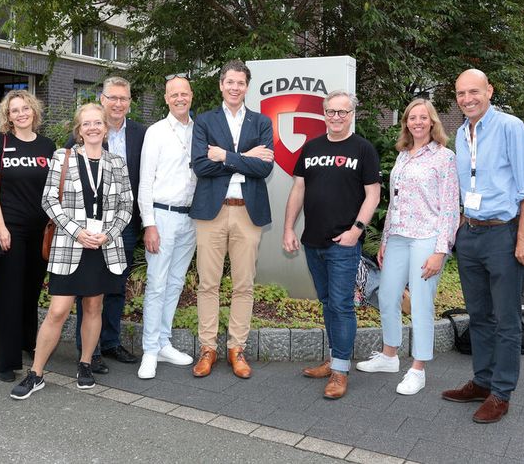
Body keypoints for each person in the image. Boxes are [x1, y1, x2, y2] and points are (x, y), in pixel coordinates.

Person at [441, 69, 524, 423]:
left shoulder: (510, 127)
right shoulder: (460, 133)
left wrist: (522, 237)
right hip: (470, 233)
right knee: (479, 316)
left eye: (474, 92)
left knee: (506, 319)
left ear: (489, 90)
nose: (467, 99)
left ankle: (501, 392)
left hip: (503, 233)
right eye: (460, 94)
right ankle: (482, 381)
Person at [10, 103, 133, 399]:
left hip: (103, 247)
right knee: (58, 310)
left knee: (93, 308)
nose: (92, 128)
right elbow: (49, 201)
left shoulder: (117, 162)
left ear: (106, 128)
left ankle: (86, 364)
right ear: (78, 130)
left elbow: (127, 206)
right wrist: (78, 232)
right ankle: (36, 373)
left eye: (98, 123)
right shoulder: (62, 158)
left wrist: (108, 234)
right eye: (86, 124)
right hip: (70, 245)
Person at [355, 99, 459, 395]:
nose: (417, 122)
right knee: (387, 294)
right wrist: (386, 239)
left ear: (432, 122)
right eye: (412, 118)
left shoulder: (444, 157)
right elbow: (395, 202)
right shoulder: (403, 155)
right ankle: (389, 356)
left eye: (422, 117)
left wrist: (441, 250)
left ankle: (418, 368)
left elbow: (451, 208)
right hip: (399, 235)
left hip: (427, 236)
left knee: (421, 300)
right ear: (406, 123)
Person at [283, 90, 381, 400]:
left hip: (344, 243)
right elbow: (298, 189)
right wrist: (288, 228)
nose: (336, 117)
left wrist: (356, 230)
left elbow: (373, 194)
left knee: (341, 304)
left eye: (342, 112)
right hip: (313, 242)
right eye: (330, 112)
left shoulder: (363, 149)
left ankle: (340, 371)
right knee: (327, 301)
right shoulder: (311, 148)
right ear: (324, 113)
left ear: (352, 114)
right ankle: (334, 357)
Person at [189, 60, 274, 379]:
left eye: (241, 83)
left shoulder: (261, 122)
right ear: (221, 85)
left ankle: (236, 348)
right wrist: (246, 158)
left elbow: (265, 168)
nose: (235, 87)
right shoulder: (205, 121)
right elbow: (200, 166)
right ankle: (208, 348)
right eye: (230, 82)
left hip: (247, 212)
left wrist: (224, 156)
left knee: (244, 284)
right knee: (208, 284)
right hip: (212, 211)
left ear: (246, 87)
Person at [66, 77, 146, 373]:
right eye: (112, 97)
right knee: (86, 287)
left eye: (123, 98)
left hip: (123, 224)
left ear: (129, 102)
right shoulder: (85, 129)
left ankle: (110, 342)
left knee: (115, 284)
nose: (118, 103)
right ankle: (89, 351)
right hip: (86, 227)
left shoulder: (140, 133)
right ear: (102, 99)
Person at [0, 90, 54, 382]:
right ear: (7, 116)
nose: (21, 114)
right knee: (8, 294)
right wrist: (0, 227)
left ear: (34, 112)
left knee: (31, 291)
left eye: (26, 108)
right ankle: (6, 361)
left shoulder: (48, 146)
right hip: (9, 228)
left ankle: (27, 341)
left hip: (41, 229)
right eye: (15, 110)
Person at [136, 75, 197, 379]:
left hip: (192, 218)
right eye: (173, 94)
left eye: (183, 93)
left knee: (175, 283)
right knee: (157, 284)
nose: (179, 98)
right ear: (166, 99)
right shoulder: (156, 133)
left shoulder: (200, 131)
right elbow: (145, 182)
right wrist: (149, 224)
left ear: (191, 96)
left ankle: (163, 342)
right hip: (162, 216)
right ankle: (149, 350)